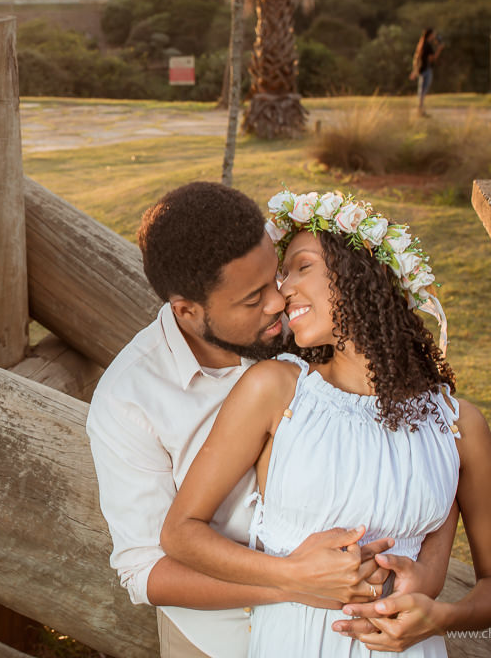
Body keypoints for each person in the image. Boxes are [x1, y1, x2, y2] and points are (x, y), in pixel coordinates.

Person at [86, 182, 459, 658]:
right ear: (187, 311)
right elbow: (145, 569)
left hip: (354, 628)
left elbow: (424, 441)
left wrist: (428, 568)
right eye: (252, 297)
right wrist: (292, 584)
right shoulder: (129, 399)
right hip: (214, 638)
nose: (278, 302)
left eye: (275, 276)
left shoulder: (307, 330)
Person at [159, 189, 491, 656]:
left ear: (362, 274)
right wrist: (291, 575)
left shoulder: (456, 425)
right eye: (280, 273)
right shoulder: (277, 390)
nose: (282, 290)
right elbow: (180, 533)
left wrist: (443, 617)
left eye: (301, 267)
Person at [409, 29, 444, 117]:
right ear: (430, 35)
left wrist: (415, 71)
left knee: (421, 91)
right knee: (423, 92)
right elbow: (432, 59)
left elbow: (418, 58)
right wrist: (439, 49)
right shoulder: (428, 46)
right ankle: (420, 111)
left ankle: (420, 110)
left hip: (421, 70)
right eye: (433, 34)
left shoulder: (422, 45)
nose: (434, 36)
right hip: (426, 70)